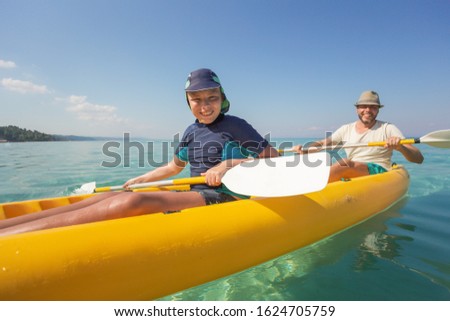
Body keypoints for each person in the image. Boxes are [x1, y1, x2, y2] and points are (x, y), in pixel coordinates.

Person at [0, 68, 279, 236]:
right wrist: (141, 179)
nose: (205, 106)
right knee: (117, 194)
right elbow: (173, 168)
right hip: (194, 193)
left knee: (129, 205)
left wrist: (230, 163)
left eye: (212, 99)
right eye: (197, 100)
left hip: (224, 197)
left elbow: (273, 159)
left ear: (222, 98)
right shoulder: (191, 131)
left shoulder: (236, 126)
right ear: (187, 101)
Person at [293, 90, 423, 182]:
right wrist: (305, 150)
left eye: (373, 107)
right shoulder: (346, 129)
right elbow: (323, 143)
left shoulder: (388, 128)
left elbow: (418, 158)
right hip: (354, 170)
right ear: (357, 109)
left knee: (345, 163)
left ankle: (304, 189)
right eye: (363, 106)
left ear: (378, 110)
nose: (368, 110)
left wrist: (400, 147)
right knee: (323, 162)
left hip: (378, 170)